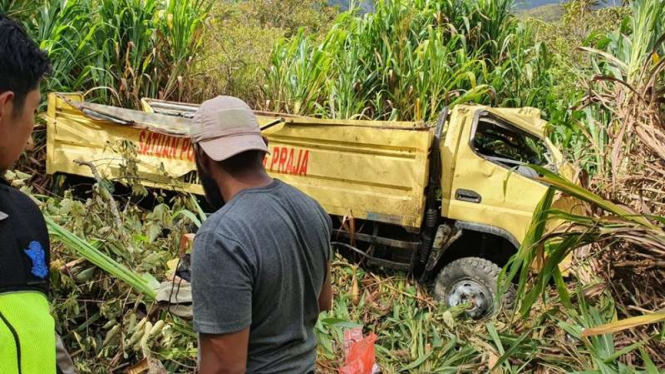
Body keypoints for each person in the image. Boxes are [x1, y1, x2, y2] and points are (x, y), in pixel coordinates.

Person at [190, 96, 333, 374]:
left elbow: (224, 369)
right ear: (263, 147)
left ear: (201, 157)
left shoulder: (220, 237)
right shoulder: (312, 209)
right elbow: (323, 301)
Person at [0, 13, 75, 374]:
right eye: (33, 110)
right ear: (4, 107)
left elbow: (43, 335)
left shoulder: (24, 218)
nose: (32, 131)